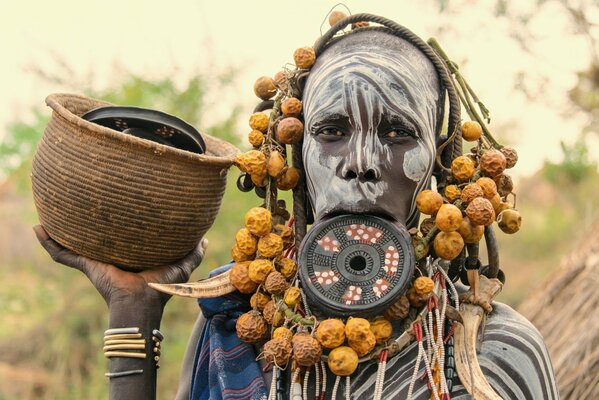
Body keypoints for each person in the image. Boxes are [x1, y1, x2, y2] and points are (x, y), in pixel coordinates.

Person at [35, 13, 558, 400]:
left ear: (441, 163)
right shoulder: (237, 325)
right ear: (296, 156)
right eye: (331, 132)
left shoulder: (495, 356)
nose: (362, 163)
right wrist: (134, 308)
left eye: (399, 133)